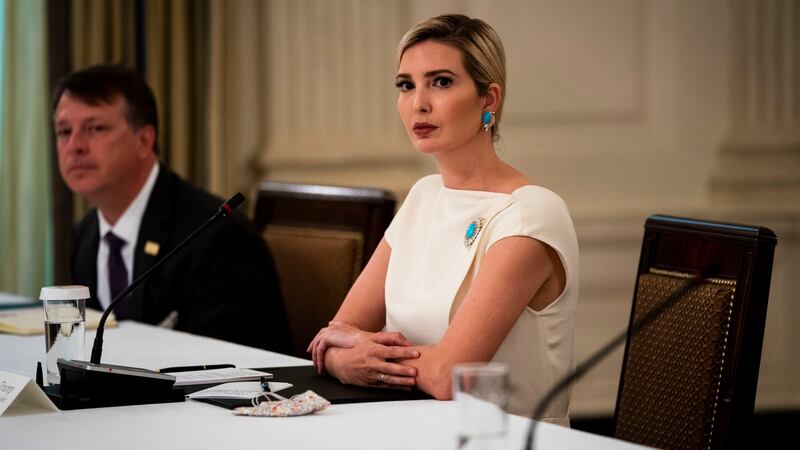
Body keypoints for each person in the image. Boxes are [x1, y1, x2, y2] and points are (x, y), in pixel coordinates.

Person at [307, 14, 579, 423]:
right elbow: (335, 334)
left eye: (442, 82)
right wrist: (344, 357)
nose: (419, 103)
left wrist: (354, 348)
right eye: (406, 85)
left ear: (489, 99)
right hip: (413, 428)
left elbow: (449, 376)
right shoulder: (423, 196)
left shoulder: (530, 214)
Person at [53, 64, 291, 353]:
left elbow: (227, 363)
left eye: (95, 128)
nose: (74, 146)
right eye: (64, 132)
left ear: (144, 141)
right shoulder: (86, 234)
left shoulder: (214, 235)